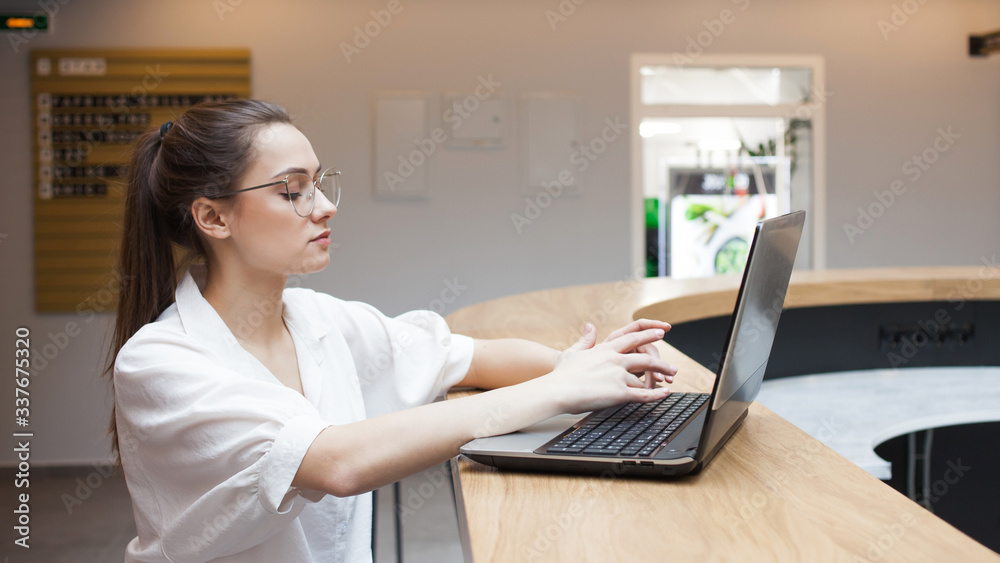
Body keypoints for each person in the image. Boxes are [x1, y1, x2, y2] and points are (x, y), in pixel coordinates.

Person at [105, 99, 676, 562]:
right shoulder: (160, 362)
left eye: (319, 183)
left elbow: (467, 357)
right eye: (292, 190)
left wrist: (585, 367)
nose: (324, 207)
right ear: (213, 217)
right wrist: (557, 389)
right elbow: (336, 462)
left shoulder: (318, 319)